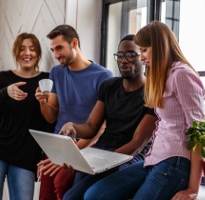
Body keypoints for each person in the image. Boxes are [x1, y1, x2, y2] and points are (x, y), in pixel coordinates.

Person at [83, 21, 205, 200]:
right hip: (154, 158)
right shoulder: (165, 76)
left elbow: (199, 134)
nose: (141, 57)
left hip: (174, 163)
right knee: (94, 195)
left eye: (144, 50)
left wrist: (193, 188)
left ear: (159, 47)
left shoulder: (182, 75)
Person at [59, 34, 158, 200]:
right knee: (71, 196)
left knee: (79, 197)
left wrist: (102, 161)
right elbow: (91, 127)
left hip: (128, 158)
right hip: (102, 151)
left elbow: (136, 145)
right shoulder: (109, 86)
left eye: (131, 55)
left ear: (143, 57)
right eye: (120, 55)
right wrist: (72, 126)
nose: (124, 60)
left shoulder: (152, 94)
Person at [34, 24, 113, 200]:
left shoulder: (103, 76)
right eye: (53, 50)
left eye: (59, 48)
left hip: (85, 147)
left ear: (74, 43)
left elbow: (100, 127)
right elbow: (51, 116)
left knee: (62, 184)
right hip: (57, 145)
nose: (56, 55)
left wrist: (70, 152)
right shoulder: (56, 72)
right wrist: (42, 103)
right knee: (44, 193)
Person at [0, 33, 55, 200]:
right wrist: (6, 92)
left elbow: (50, 120)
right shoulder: (4, 78)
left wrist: (44, 154)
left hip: (27, 154)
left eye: (32, 49)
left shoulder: (47, 80)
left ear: (38, 53)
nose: (27, 53)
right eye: (22, 49)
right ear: (16, 53)